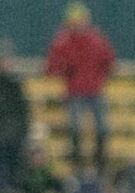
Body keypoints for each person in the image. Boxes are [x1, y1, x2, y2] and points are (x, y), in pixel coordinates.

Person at [43, 4, 114, 173]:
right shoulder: (62, 41)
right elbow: (51, 67)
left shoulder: (96, 40)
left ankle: (99, 163)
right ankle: (77, 163)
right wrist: (66, 69)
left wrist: (98, 77)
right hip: (75, 92)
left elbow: (109, 62)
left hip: (94, 91)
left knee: (102, 129)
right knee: (75, 128)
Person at [0, 42, 29, 193]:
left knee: (15, 168)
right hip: (4, 136)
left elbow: (23, 111)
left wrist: (23, 132)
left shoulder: (14, 84)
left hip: (14, 135)